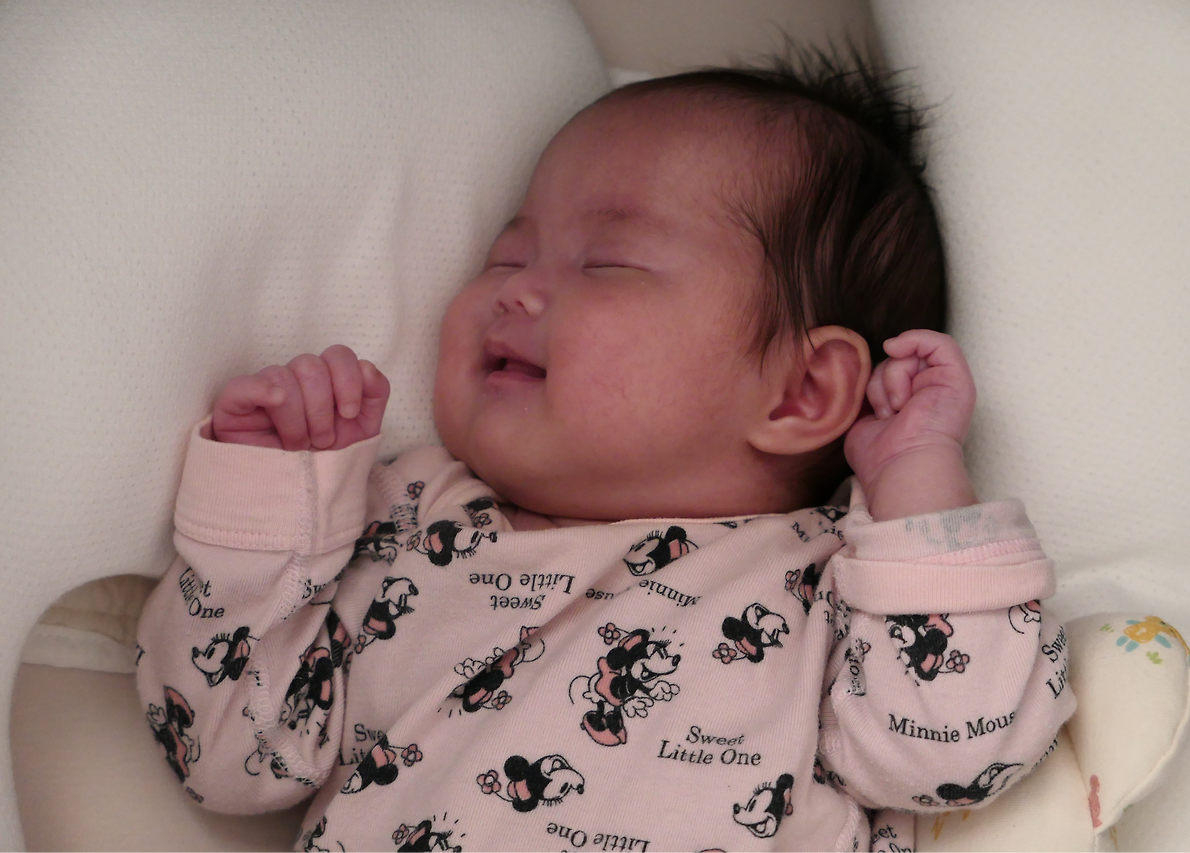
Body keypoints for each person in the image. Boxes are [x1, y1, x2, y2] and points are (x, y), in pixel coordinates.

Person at [137, 48, 1075, 853]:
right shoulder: (405, 519)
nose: (514, 291)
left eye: (605, 264)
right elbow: (227, 756)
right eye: (507, 256)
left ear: (801, 392)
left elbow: (955, 749)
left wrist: (917, 481)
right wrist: (272, 504)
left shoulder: (839, 583)